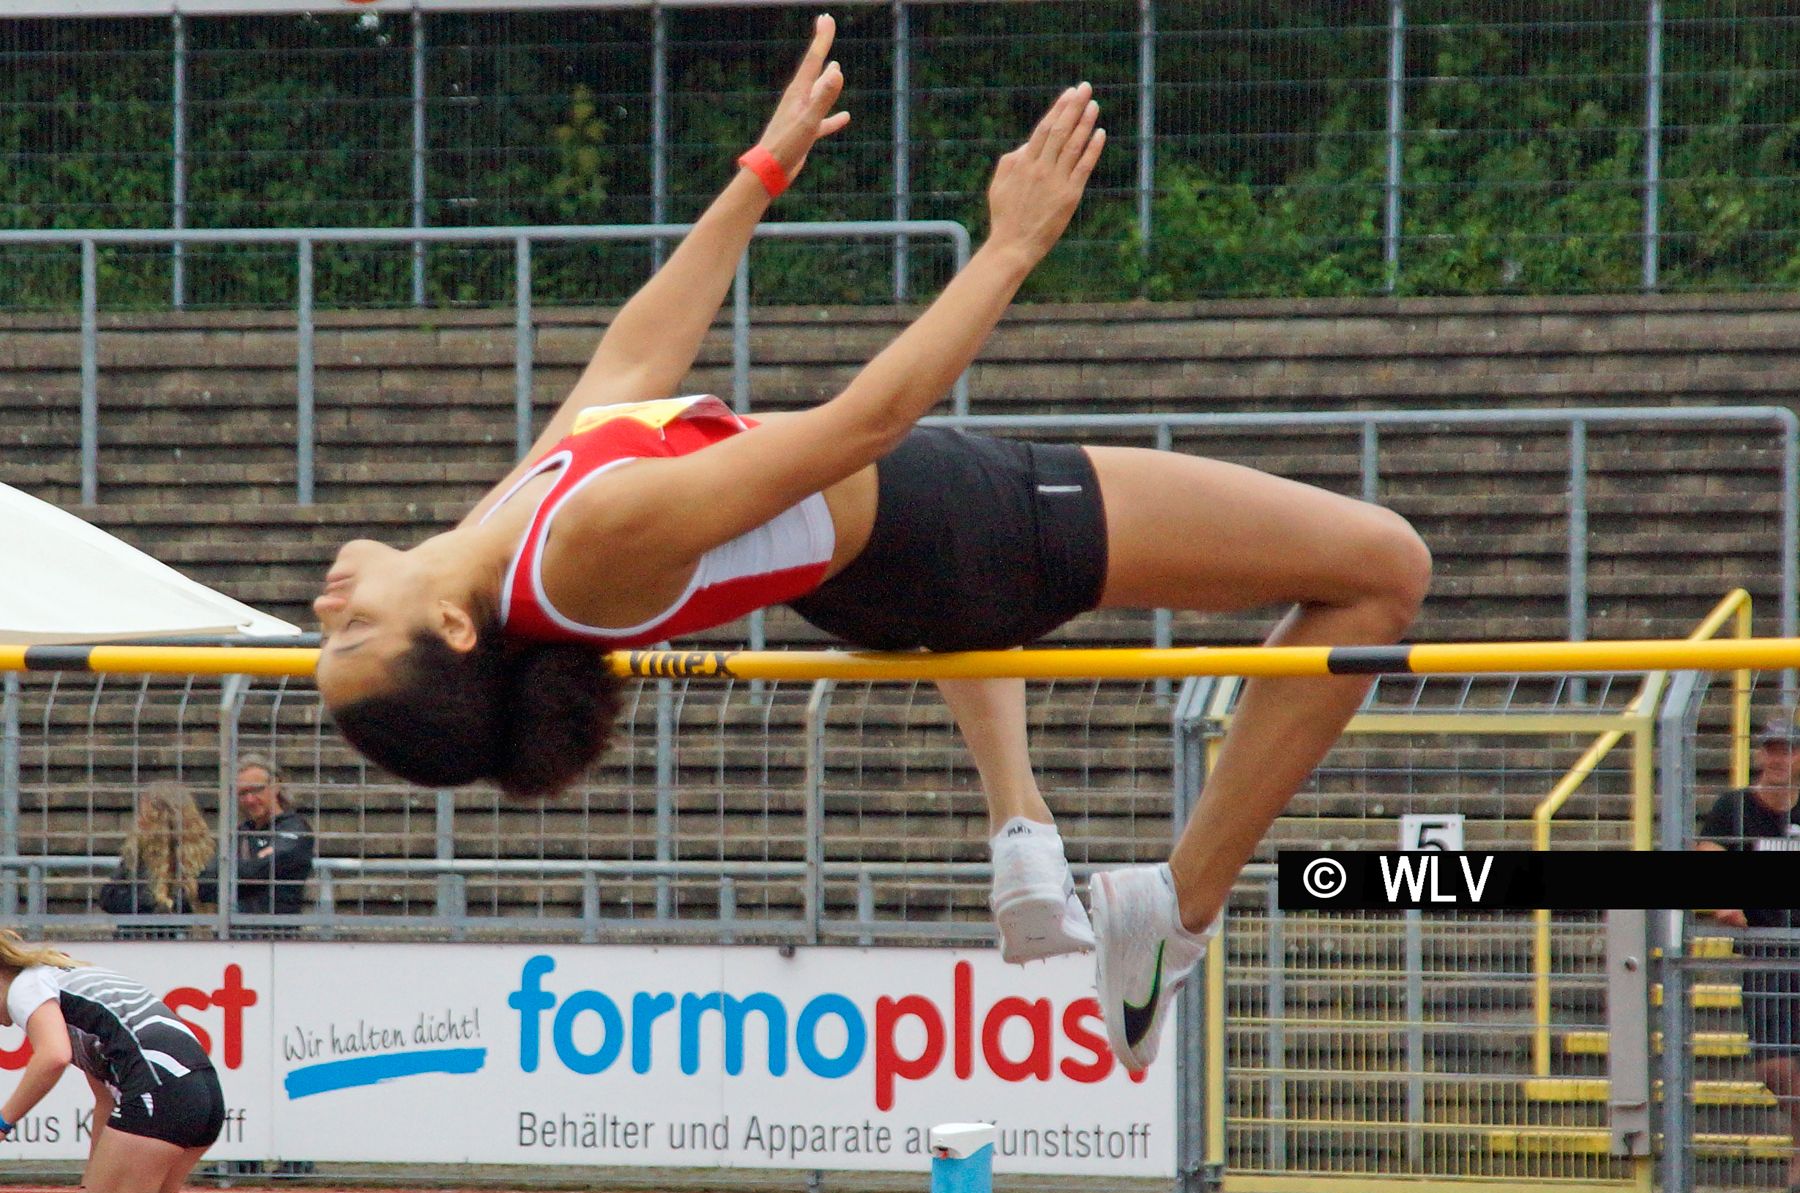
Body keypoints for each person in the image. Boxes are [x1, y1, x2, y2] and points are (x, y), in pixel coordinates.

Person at [311, 16, 1431, 1073]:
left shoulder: (501, 542)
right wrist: (1011, 246)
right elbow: (862, 424)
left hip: (885, 571)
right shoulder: (585, 547)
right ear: (452, 628)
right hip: (959, 527)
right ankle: (1175, 910)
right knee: (1383, 570)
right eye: (353, 632)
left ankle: (1023, 826)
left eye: (329, 632)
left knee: (961, 581)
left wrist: (762, 171)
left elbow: (629, 366)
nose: (327, 606)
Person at [0, 930, 223, 1193]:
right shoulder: (60, 982)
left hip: (159, 1087)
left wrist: (3, 1122)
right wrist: (89, 1185)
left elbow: (53, 1056)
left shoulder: (25, 986)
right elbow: (106, 1101)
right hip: (202, 1093)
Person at [1699, 716, 1800, 1193]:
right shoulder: (1735, 807)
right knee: (1773, 1067)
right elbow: (1707, 851)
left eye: (1789, 750)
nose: (1779, 759)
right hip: (1764, 950)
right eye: (1772, 749)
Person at [99, 782, 216, 937]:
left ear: (162, 816)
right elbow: (108, 897)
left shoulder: (202, 857)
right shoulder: (138, 852)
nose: (139, 820)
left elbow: (191, 903)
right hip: (136, 940)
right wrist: (155, 903)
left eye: (144, 813)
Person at [228, 754, 314, 922]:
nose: (250, 800)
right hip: (237, 930)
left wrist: (233, 869)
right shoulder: (241, 832)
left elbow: (261, 869)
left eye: (256, 790)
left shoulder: (295, 828)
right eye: (243, 793)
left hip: (278, 931)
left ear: (275, 787)